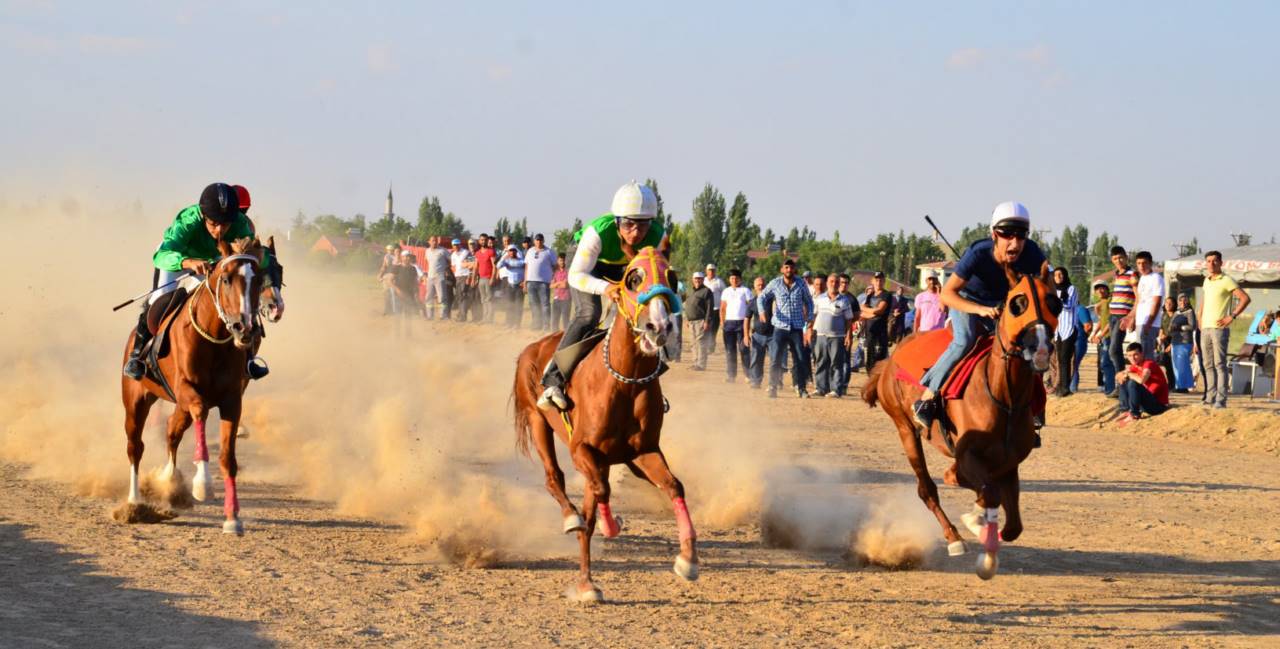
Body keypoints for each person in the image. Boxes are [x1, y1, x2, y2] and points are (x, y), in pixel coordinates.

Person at [913, 201, 1049, 429]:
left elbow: (1048, 280)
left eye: (1021, 235)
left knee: (1028, 345)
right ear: (994, 235)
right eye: (1007, 235)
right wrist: (981, 310)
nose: (1015, 243)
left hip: (1000, 305)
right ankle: (927, 397)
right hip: (967, 301)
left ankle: (1031, 408)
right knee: (964, 340)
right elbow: (947, 295)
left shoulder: (1033, 252)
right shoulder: (977, 253)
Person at [538, 181, 668, 410]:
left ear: (652, 223)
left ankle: (650, 384)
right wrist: (605, 288)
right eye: (628, 224)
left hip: (624, 266)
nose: (636, 233)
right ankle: (553, 381)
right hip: (589, 265)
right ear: (617, 220)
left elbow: (656, 275)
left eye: (643, 225)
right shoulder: (597, 233)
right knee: (590, 314)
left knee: (644, 314)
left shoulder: (658, 236)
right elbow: (576, 276)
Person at [124, 182, 262, 380]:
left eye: (225, 224)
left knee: (234, 302)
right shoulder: (188, 220)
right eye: (214, 224)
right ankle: (137, 356)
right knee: (160, 298)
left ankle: (247, 360)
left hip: (213, 265)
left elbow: (248, 258)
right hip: (176, 259)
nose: (219, 230)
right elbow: (162, 255)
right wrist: (187, 262)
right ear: (204, 216)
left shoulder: (240, 223)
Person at [1199, 250, 1250, 409]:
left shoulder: (1227, 280)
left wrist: (1231, 316)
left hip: (1219, 329)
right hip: (1205, 327)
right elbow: (1205, 301)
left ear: (1221, 263)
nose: (1211, 264)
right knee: (1207, 364)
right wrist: (1200, 319)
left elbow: (1245, 298)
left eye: (1215, 261)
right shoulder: (1206, 281)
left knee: (1219, 364)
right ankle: (1210, 397)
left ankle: (1221, 400)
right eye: (1208, 261)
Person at [760, 258, 814, 399]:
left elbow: (809, 301)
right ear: (782, 269)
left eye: (791, 267)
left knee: (800, 358)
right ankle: (772, 386)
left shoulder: (801, 283)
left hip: (796, 327)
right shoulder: (775, 283)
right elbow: (762, 297)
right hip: (780, 327)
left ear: (794, 269)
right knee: (775, 358)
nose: (789, 270)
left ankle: (800, 388)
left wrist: (809, 318)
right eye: (786, 267)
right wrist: (761, 312)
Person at [810, 272, 856, 398]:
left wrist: (848, 336)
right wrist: (809, 330)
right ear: (827, 283)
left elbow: (848, 320)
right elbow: (813, 316)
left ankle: (836, 389)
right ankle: (821, 388)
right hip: (820, 335)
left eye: (836, 282)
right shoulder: (819, 299)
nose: (834, 284)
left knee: (836, 363)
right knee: (821, 362)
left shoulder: (844, 300)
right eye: (831, 281)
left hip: (837, 336)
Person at [1106, 246, 1138, 395]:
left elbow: (1138, 298)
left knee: (1113, 349)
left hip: (1123, 316)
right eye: (1115, 259)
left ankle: (1121, 382)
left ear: (1126, 257)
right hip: (1113, 315)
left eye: (1120, 257)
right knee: (1114, 350)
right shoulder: (1117, 275)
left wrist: (1132, 317)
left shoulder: (1133, 275)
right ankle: (1120, 384)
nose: (1118, 261)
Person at [1116, 342, 1170, 423]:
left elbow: (1141, 380)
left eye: (1135, 355)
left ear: (1142, 354)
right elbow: (1118, 375)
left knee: (1132, 383)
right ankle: (1125, 410)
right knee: (1125, 380)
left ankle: (1134, 414)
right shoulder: (1135, 366)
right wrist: (1122, 375)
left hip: (1159, 406)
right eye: (1129, 355)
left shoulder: (1149, 364)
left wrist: (1128, 374)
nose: (1132, 358)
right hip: (1147, 403)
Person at [719, 269, 753, 383]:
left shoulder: (745, 290)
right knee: (730, 350)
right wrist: (722, 322)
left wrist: (749, 322)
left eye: (736, 278)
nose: (734, 280)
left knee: (744, 349)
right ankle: (731, 376)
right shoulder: (726, 291)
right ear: (729, 279)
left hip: (741, 323)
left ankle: (748, 375)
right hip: (729, 324)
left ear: (740, 279)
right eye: (732, 278)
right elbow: (722, 308)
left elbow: (750, 306)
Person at [1051, 266, 1079, 397]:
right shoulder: (1052, 290)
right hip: (1058, 329)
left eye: (1061, 274)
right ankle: (1060, 386)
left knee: (1065, 358)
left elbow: (1069, 306)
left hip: (1069, 328)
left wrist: (1059, 300)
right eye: (1056, 275)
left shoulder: (1071, 289)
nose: (1058, 277)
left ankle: (1065, 387)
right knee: (1059, 359)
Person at [1132, 251, 1165, 357]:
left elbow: (1157, 302)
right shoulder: (1142, 279)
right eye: (1139, 263)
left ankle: (1150, 374)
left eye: (1144, 263)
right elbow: (1139, 301)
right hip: (1140, 322)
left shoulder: (1156, 278)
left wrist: (1149, 323)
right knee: (1140, 355)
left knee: (1146, 356)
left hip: (1150, 323)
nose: (1141, 266)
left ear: (1150, 263)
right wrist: (1133, 319)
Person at [859, 272, 893, 373]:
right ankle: (870, 376)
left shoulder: (886, 295)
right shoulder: (870, 296)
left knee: (880, 357)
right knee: (869, 357)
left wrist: (870, 310)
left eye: (881, 280)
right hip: (869, 330)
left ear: (884, 281)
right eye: (876, 280)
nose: (879, 282)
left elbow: (879, 310)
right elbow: (861, 312)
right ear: (872, 281)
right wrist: (872, 313)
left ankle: (879, 379)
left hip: (880, 332)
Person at [524, 234, 557, 331]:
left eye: (540, 240)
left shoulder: (549, 252)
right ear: (534, 241)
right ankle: (536, 325)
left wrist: (553, 277)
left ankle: (546, 326)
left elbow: (555, 266)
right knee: (533, 304)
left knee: (545, 304)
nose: (538, 242)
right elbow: (526, 267)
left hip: (544, 282)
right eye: (537, 240)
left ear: (543, 241)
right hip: (530, 281)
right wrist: (525, 282)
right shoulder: (530, 251)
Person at [1168, 293, 1198, 393]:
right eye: (1181, 300)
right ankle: (1179, 385)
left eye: (1185, 300)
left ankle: (1184, 386)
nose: (1183, 302)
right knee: (1176, 365)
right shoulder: (1176, 312)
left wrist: (1181, 327)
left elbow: (1193, 326)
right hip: (1175, 341)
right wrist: (1171, 329)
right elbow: (1170, 325)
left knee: (1183, 365)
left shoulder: (1189, 311)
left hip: (1184, 341)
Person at [746, 276, 772, 389]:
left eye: (763, 285)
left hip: (773, 335)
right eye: (758, 285)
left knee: (775, 360)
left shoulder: (772, 300)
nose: (761, 286)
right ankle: (755, 381)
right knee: (756, 360)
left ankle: (775, 383)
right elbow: (746, 319)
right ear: (754, 287)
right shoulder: (752, 302)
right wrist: (746, 335)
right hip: (758, 335)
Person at [1089, 282, 1115, 394]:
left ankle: (1110, 389)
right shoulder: (1103, 302)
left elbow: (1111, 321)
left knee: (1106, 362)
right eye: (1097, 289)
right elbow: (1102, 321)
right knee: (1103, 362)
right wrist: (1094, 333)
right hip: (1105, 336)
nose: (1100, 291)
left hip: (1110, 335)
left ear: (1107, 289)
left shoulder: (1111, 301)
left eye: (1102, 288)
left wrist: (1101, 334)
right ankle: (1107, 387)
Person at [684, 272, 714, 371]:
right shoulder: (690, 291)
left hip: (701, 321)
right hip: (691, 321)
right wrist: (687, 319)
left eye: (700, 279)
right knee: (693, 343)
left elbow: (709, 308)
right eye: (696, 278)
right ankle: (695, 362)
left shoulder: (707, 291)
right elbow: (687, 305)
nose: (697, 280)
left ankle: (701, 364)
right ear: (693, 280)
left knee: (701, 342)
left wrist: (707, 321)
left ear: (703, 280)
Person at [496, 244, 526, 328]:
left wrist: (524, 282)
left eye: (513, 250)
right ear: (508, 252)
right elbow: (498, 266)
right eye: (510, 250)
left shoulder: (522, 261)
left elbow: (527, 269)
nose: (512, 252)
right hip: (510, 286)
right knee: (509, 305)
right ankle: (509, 323)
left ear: (516, 251)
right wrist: (504, 257)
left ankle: (517, 324)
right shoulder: (506, 261)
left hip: (519, 286)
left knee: (518, 306)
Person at [1070, 291, 1093, 393]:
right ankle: (1071, 386)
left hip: (1078, 341)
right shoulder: (1069, 310)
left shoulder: (1080, 309)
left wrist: (1083, 336)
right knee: (1071, 364)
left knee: (1073, 363)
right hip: (1071, 341)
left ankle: (1073, 387)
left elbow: (1088, 326)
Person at [423, 236, 451, 320]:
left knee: (442, 297)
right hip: (430, 277)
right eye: (432, 241)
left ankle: (443, 315)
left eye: (435, 241)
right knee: (428, 297)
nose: (434, 242)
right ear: (429, 242)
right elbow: (426, 261)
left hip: (440, 276)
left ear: (438, 241)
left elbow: (450, 260)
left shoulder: (443, 250)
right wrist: (425, 275)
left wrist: (446, 268)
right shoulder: (427, 251)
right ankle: (429, 315)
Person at [450, 239, 477, 322]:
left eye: (457, 244)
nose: (456, 246)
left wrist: (469, 276)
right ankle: (461, 315)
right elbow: (453, 266)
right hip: (458, 277)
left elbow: (472, 264)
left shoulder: (466, 252)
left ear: (460, 245)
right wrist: (455, 274)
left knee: (464, 296)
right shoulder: (453, 255)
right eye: (454, 245)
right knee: (459, 297)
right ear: (452, 246)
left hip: (465, 276)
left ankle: (462, 316)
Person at [474, 233, 497, 323]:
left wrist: (492, 278)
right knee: (483, 300)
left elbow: (494, 266)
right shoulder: (477, 253)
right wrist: (474, 279)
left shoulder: (491, 251)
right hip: (481, 279)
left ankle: (489, 319)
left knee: (489, 299)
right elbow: (476, 266)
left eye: (485, 240)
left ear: (487, 240)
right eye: (481, 240)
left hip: (488, 279)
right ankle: (485, 318)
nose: (483, 241)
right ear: (479, 241)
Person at [703, 264, 725, 353]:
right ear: (706, 271)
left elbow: (725, 293)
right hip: (704, 310)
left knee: (713, 329)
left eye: (713, 270)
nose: (711, 272)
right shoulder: (703, 281)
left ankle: (711, 348)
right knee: (704, 329)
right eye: (709, 270)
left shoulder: (719, 282)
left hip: (716, 309)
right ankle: (704, 347)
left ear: (715, 271)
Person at [550, 254, 571, 331]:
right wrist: (559, 283)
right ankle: (554, 335)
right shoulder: (555, 272)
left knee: (565, 320)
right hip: (556, 299)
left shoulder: (569, 272)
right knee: (554, 320)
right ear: (557, 261)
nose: (562, 262)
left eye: (564, 260)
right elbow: (551, 286)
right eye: (560, 260)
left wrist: (556, 284)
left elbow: (565, 285)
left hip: (566, 299)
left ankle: (566, 335)